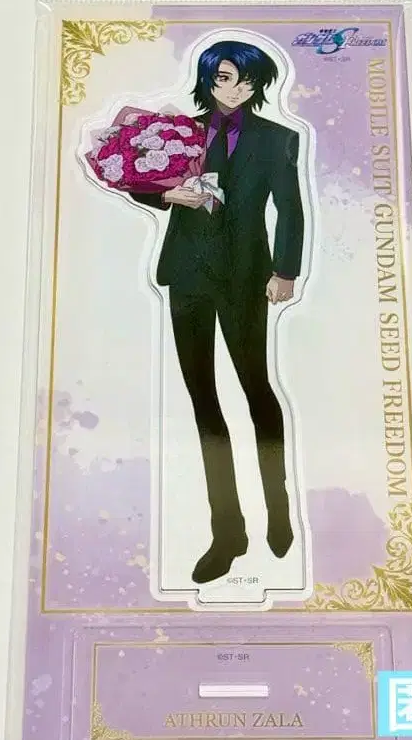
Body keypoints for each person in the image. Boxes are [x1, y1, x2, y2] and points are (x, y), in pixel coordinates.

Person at [129, 40, 305, 585]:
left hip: (246, 275)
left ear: (259, 85)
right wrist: (166, 197)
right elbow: (139, 179)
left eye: (247, 81)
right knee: (203, 400)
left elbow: (290, 207)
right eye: (225, 78)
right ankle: (228, 531)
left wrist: (285, 270)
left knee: (257, 390)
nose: (236, 89)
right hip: (187, 274)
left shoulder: (278, 138)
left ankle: (279, 508)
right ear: (207, 79)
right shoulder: (179, 131)